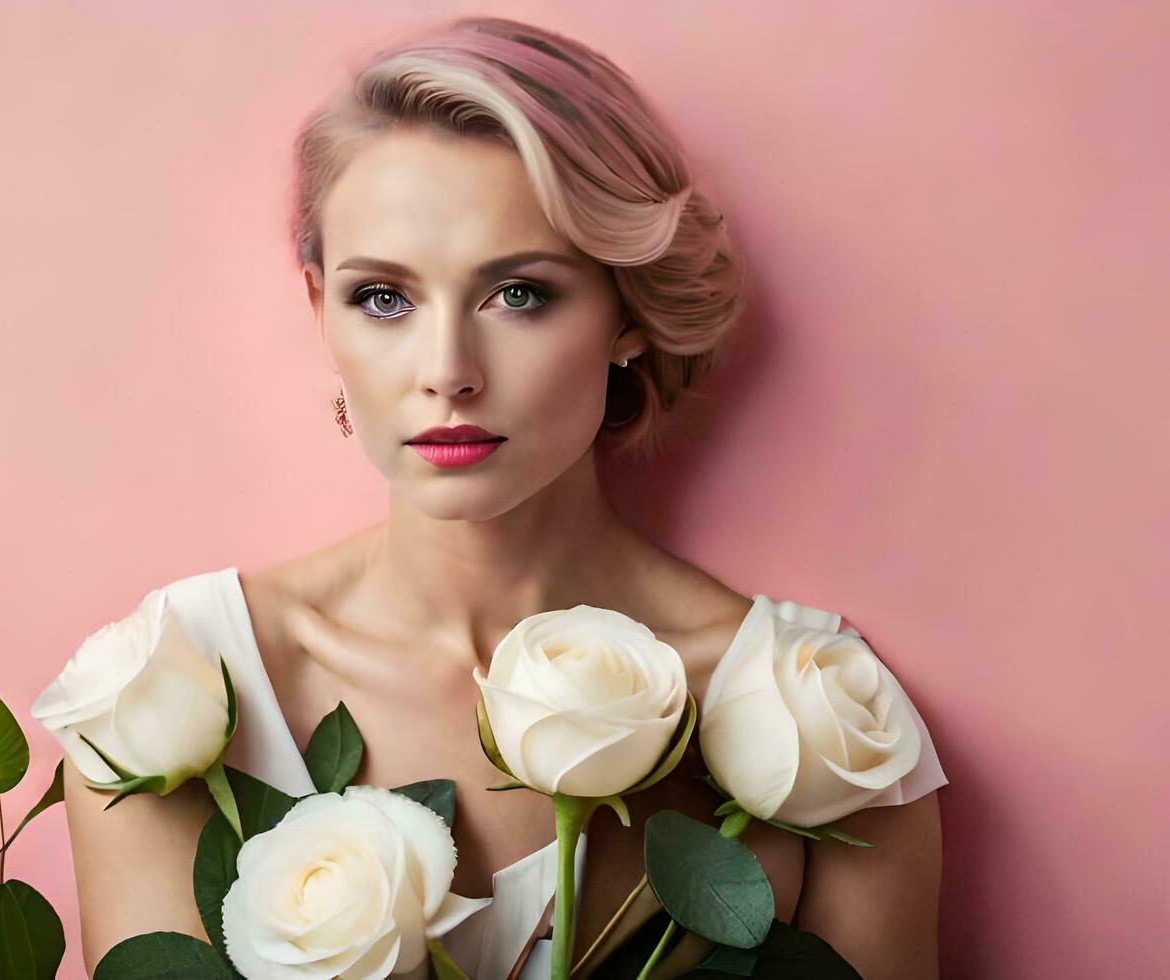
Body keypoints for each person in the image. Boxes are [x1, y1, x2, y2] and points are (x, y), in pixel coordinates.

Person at [56, 15, 944, 978]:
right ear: (320, 308)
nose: (447, 372)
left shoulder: (822, 721)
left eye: (518, 294)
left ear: (627, 315)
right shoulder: (172, 692)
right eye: (383, 299)